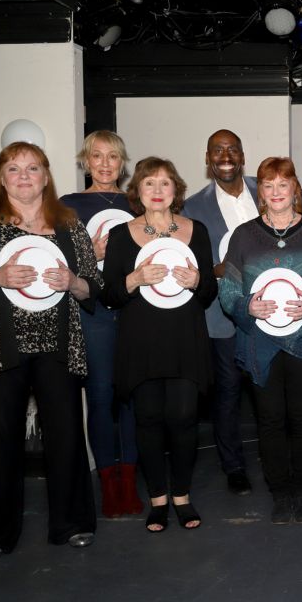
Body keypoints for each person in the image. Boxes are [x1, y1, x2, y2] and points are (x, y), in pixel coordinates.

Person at [0, 142, 99, 562]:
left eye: (32, 168)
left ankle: (73, 523)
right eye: (14, 169)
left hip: (58, 344)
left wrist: (72, 282)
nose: (24, 176)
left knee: (65, 434)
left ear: (46, 176)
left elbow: (91, 287)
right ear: (2, 177)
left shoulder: (68, 224)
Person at [220, 157, 302, 525]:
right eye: (268, 186)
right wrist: (247, 307)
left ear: (294, 190)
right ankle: (280, 492)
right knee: (270, 421)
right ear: (262, 193)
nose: (275, 192)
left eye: (282, 185)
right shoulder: (244, 235)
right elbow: (227, 291)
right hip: (260, 343)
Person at [101, 157, 216, 532]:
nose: (156, 191)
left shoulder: (196, 231)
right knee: (148, 418)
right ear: (138, 191)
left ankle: (181, 495)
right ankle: (157, 500)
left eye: (164, 184)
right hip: (141, 340)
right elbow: (110, 295)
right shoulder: (121, 235)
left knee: (183, 418)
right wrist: (133, 279)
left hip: (185, 337)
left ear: (175, 191)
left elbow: (209, 293)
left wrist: (197, 280)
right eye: (149, 184)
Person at [60, 130, 142, 518]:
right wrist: (87, 255)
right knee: (101, 396)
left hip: (135, 309)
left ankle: (130, 480)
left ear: (122, 162)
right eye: (97, 156)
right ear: (85, 161)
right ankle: (109, 484)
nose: (105, 164)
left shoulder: (138, 201)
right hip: (93, 311)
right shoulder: (68, 206)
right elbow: (58, 270)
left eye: (113, 157)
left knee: (133, 396)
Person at [183, 129, 258, 496]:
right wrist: (217, 268)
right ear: (208, 158)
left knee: (270, 390)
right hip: (222, 314)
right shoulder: (192, 207)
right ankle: (234, 467)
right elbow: (191, 262)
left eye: (232, 148)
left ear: (242, 155)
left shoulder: (269, 189)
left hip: (273, 309)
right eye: (217, 150)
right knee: (227, 392)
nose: (225, 155)